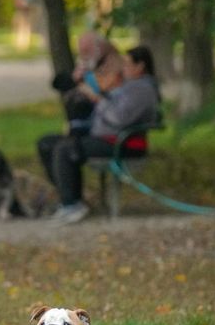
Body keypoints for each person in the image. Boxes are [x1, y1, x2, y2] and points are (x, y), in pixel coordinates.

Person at [47, 45, 161, 225]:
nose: (122, 68)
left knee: (65, 148)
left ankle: (72, 205)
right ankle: (70, 199)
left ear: (140, 67)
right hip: (104, 137)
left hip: (123, 144)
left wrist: (97, 98)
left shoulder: (141, 89)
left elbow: (118, 118)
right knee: (49, 143)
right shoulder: (129, 86)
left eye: (127, 64)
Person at [36, 32, 125, 189]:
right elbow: (60, 84)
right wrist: (76, 78)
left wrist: (89, 89)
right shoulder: (89, 67)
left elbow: (110, 101)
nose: (84, 54)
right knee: (47, 144)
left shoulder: (115, 67)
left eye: (87, 50)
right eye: (81, 51)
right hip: (84, 126)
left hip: (105, 130)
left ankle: (72, 201)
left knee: (66, 148)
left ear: (100, 49)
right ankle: (66, 197)